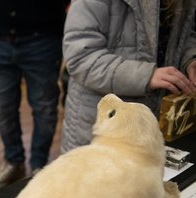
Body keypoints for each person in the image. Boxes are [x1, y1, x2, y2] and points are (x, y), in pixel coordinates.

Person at [61, 0, 196, 153]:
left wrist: (189, 59)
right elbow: (80, 57)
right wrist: (146, 75)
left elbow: (183, 34)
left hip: (152, 124)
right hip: (102, 122)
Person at [0, 0, 69, 186]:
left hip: (43, 36)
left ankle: (39, 163)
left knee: (45, 108)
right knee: (2, 109)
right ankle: (14, 160)